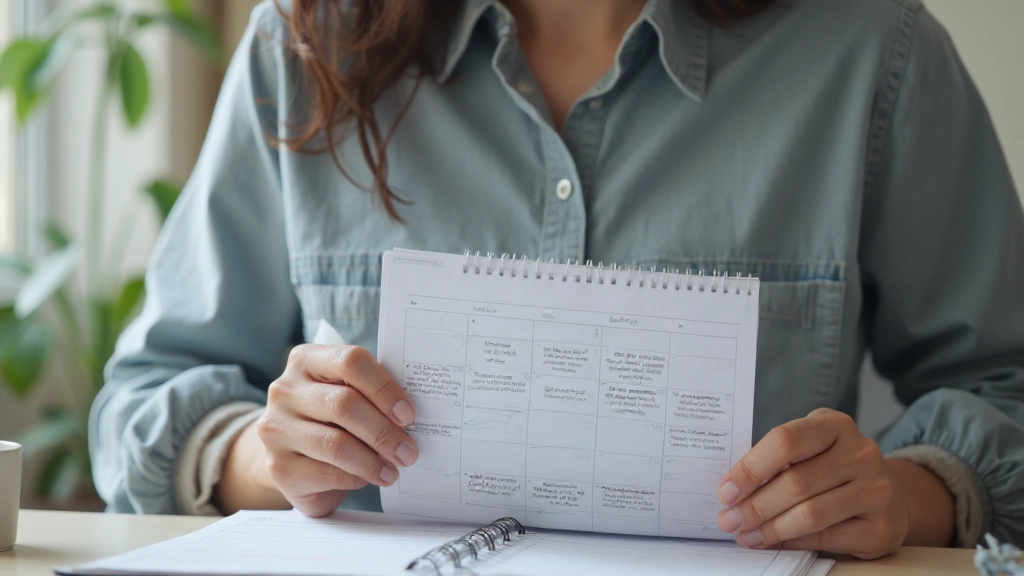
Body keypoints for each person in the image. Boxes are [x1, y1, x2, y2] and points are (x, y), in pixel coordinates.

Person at [89, 0, 1024, 559]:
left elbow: (1008, 388)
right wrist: (265, 454)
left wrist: (909, 495)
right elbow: (143, 402)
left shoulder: (874, 50)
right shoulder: (302, 50)